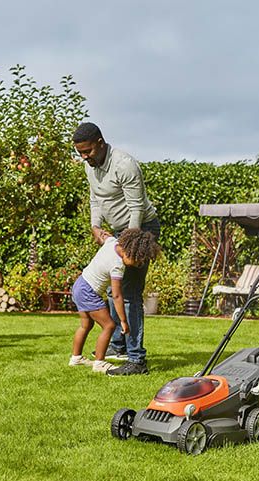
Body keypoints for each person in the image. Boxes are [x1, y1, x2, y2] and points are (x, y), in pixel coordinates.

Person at [73, 122, 161, 375]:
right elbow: (95, 198)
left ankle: (137, 359)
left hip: (141, 229)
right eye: (80, 153)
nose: (85, 157)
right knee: (115, 289)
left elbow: (136, 208)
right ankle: (118, 346)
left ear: (100, 142)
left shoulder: (125, 165)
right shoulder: (90, 167)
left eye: (88, 151)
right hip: (119, 231)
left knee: (129, 294)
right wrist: (95, 225)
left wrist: (128, 243)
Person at [69, 228, 161, 374]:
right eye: (137, 260)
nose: (136, 265)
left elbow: (105, 237)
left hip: (80, 284)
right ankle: (99, 363)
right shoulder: (117, 266)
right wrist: (123, 321)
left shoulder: (112, 242)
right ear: (130, 252)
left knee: (86, 325)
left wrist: (99, 231)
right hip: (89, 292)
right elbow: (117, 295)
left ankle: (76, 358)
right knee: (110, 325)